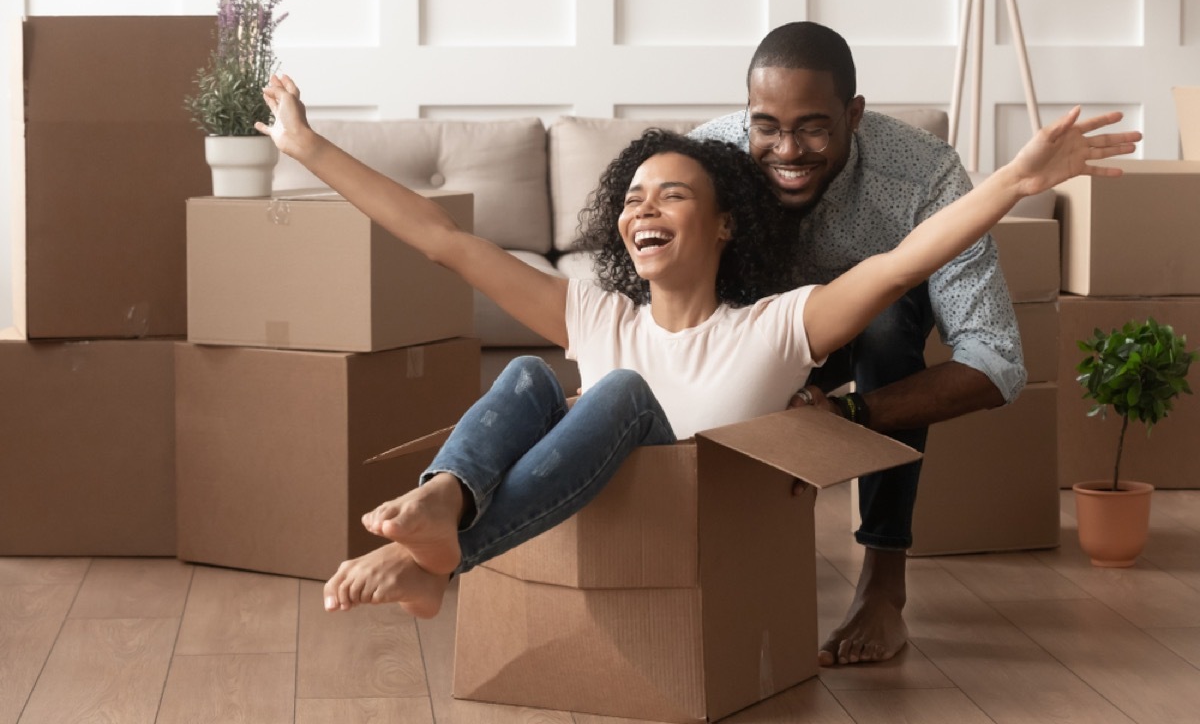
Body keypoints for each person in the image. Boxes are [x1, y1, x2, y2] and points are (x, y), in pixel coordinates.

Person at [255, 72, 1139, 624]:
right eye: (633, 198)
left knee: (617, 396)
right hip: (598, 515)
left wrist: (1017, 179)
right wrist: (308, 146)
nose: (643, 209)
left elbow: (908, 261)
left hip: (697, 530)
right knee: (531, 373)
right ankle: (445, 505)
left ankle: (436, 560)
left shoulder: (777, 326)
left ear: (723, 226)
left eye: (670, 196)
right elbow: (441, 238)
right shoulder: (601, 316)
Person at [688, 20, 1052, 666]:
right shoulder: (708, 160)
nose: (786, 150)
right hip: (752, 337)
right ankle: (721, 567)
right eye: (765, 125)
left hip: (867, 349)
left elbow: (997, 362)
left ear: (853, 114)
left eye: (812, 128)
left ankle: (885, 584)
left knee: (886, 324)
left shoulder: (924, 174)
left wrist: (851, 414)